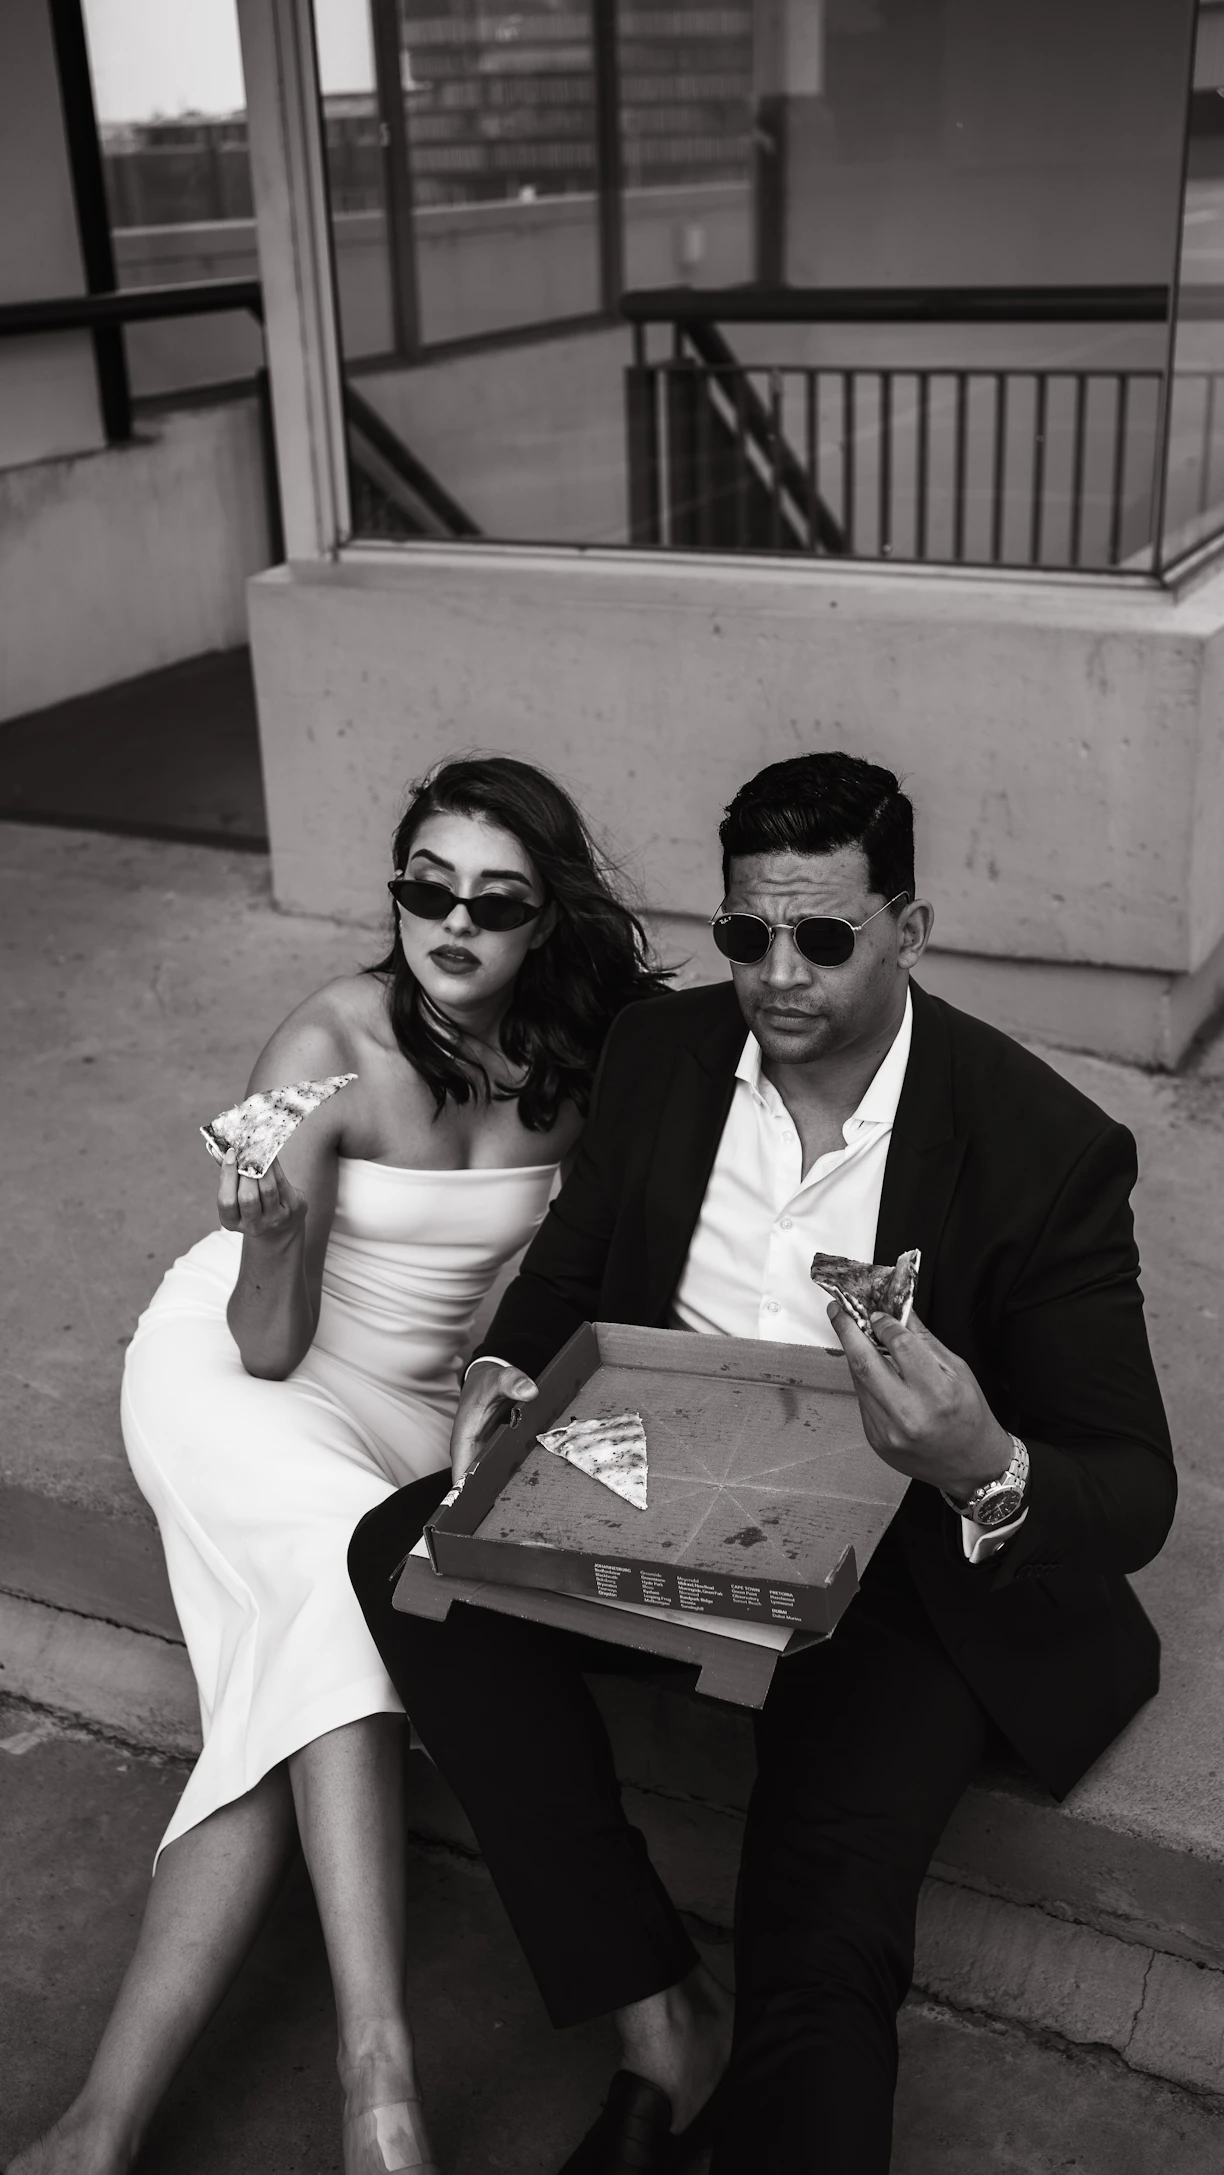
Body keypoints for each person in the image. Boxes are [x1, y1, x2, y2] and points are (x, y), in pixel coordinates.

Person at [349, 750, 1176, 2175]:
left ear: (907, 930)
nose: (777, 971)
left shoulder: (1044, 1148)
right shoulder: (662, 1053)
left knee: (825, 1957)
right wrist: (499, 1373)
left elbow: (1136, 1488)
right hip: (659, 1476)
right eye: (746, 931)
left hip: (895, 1567)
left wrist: (983, 1459)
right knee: (403, 1550)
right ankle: (658, 2009)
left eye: (824, 935)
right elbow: (570, 1271)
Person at [9, 756, 668, 2175]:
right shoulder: (329, 1045)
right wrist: (268, 1232)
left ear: (545, 920)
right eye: (425, 887)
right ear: (396, 892)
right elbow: (262, 1346)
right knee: (336, 1591)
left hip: (425, 1414)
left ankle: (97, 2127)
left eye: (494, 900)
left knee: (288, 1685)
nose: (453, 922)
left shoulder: (585, 1055)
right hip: (251, 1376)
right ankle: (380, 2084)